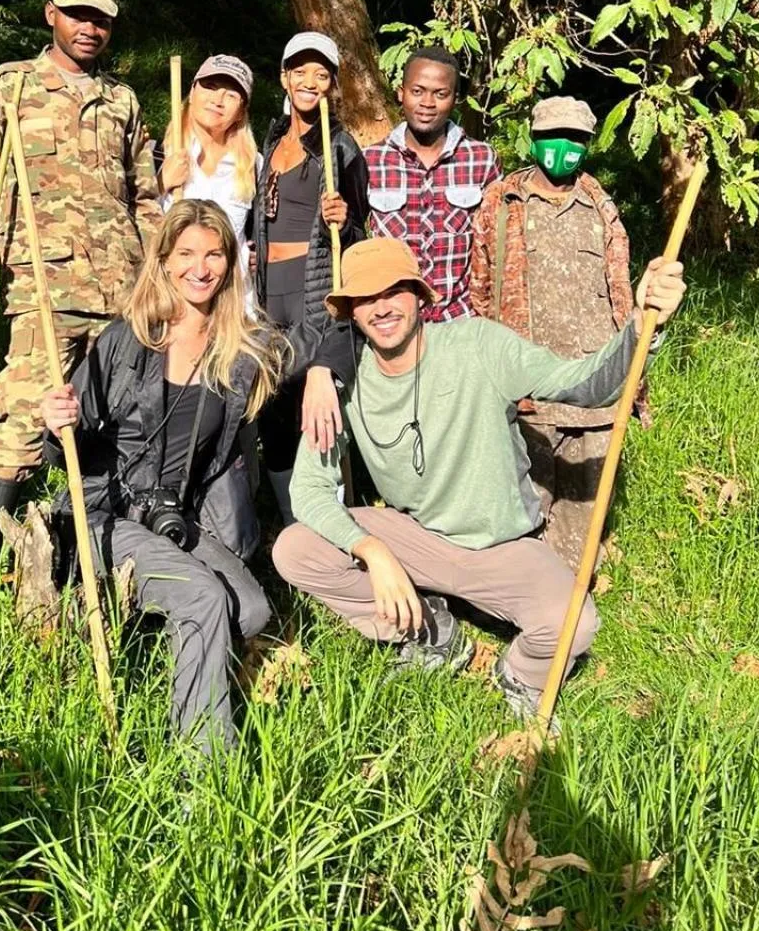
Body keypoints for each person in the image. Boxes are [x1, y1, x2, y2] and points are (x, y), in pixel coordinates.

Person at [273, 237, 686, 722]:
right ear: (351, 313)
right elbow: (308, 490)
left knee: (574, 626)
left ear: (420, 296)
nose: (381, 308)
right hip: (415, 537)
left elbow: (584, 385)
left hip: (499, 546)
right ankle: (431, 633)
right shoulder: (340, 382)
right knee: (295, 549)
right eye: (364, 298)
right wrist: (372, 549)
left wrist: (642, 327)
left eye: (394, 291)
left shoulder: (478, 345)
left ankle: (520, 676)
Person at [0, 0, 163, 586]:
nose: (89, 27)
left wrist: (155, 276)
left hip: (120, 293)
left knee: (112, 427)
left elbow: (146, 198)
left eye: (101, 17)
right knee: (26, 421)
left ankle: (88, 565)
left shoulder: (122, 100)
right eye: (77, 14)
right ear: (52, 14)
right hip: (43, 287)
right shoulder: (10, 86)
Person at [43, 200, 286, 753]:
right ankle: (207, 781)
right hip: (107, 514)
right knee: (202, 596)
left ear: (231, 262)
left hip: (175, 516)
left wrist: (323, 374)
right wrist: (58, 425)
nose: (200, 269)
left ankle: (164, 653)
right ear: (164, 260)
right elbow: (66, 455)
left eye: (214, 254)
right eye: (186, 255)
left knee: (251, 610)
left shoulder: (239, 352)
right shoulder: (127, 341)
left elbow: (316, 340)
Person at [468, 96, 637, 571]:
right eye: (550, 137)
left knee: (583, 513)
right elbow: (479, 286)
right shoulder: (502, 203)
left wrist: (631, 380)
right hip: (530, 391)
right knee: (526, 504)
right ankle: (530, 598)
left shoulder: (600, 208)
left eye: (576, 139)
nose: (562, 147)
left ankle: (573, 598)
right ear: (533, 138)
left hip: (592, 390)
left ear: (588, 145)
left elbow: (621, 294)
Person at [251, 32, 369, 521]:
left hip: (311, 287)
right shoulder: (271, 138)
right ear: (284, 77)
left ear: (333, 85)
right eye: (300, 72)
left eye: (322, 75)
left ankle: (334, 520)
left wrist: (345, 217)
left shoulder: (340, 147)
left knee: (315, 406)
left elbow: (361, 231)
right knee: (273, 407)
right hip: (265, 293)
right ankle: (290, 519)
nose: (310, 82)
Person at [363, 44, 498, 321]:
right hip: (394, 323)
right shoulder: (370, 161)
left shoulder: (482, 160)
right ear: (400, 93)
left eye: (440, 94)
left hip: (461, 322)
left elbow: (496, 245)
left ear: (456, 98)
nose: (427, 103)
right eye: (417, 91)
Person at [158, 54, 260, 278]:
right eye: (210, 87)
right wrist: (160, 183)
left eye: (231, 94)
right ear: (193, 92)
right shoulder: (155, 155)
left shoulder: (254, 166)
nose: (218, 100)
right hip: (172, 297)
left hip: (235, 301)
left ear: (241, 111)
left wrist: (256, 256)